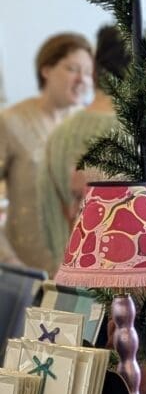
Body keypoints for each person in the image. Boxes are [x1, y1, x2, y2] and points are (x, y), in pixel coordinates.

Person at [38, 25, 131, 268]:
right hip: (131, 292)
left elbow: (47, 214)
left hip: (68, 285)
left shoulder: (58, 135)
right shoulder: (141, 134)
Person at [0, 32, 93, 271]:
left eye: (88, 71)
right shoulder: (11, 122)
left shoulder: (88, 125)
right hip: (27, 268)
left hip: (84, 266)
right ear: (46, 70)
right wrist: (7, 259)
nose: (82, 79)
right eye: (72, 69)